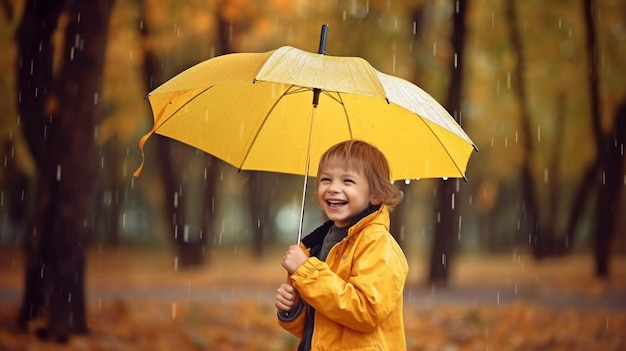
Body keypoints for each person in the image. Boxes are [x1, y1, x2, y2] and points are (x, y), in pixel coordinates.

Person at [275, 139, 409, 351]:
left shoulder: (378, 244)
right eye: (326, 179)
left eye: (347, 181)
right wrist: (293, 309)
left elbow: (365, 311)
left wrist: (306, 272)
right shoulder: (320, 244)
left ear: (375, 194)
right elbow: (321, 329)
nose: (333, 188)